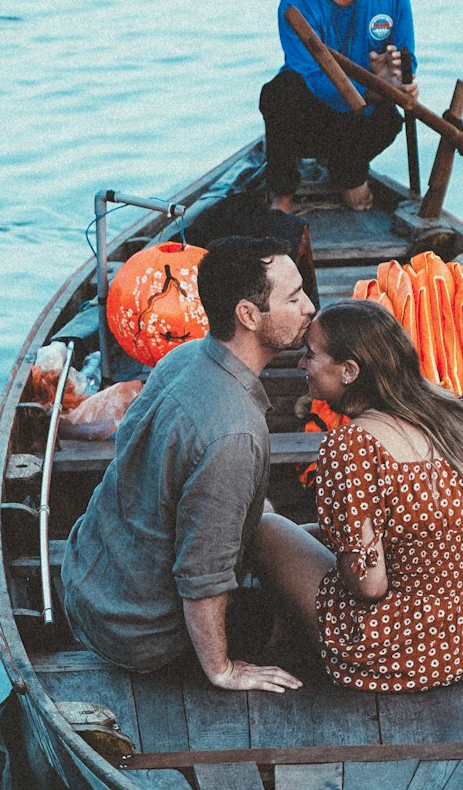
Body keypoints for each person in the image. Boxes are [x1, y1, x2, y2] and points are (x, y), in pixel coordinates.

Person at [61, 236, 316, 693]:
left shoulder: (183, 355)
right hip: (139, 635)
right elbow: (203, 576)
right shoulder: (234, 433)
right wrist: (222, 669)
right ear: (248, 315)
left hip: (86, 579)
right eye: (294, 298)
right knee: (299, 629)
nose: (310, 307)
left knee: (270, 525)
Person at [256, 301, 463, 692]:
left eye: (311, 356)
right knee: (307, 533)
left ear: (349, 371)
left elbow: (369, 585)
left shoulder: (354, 444)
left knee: (265, 528)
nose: (301, 366)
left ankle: (283, 644)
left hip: (410, 652)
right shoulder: (448, 411)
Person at [259, 0, 417, 214]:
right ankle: (282, 195)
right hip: (313, 119)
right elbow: (310, 76)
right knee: (278, 92)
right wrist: (371, 86)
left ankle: (349, 173)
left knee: (391, 116)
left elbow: (407, 59)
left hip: (361, 123)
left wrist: (399, 82)